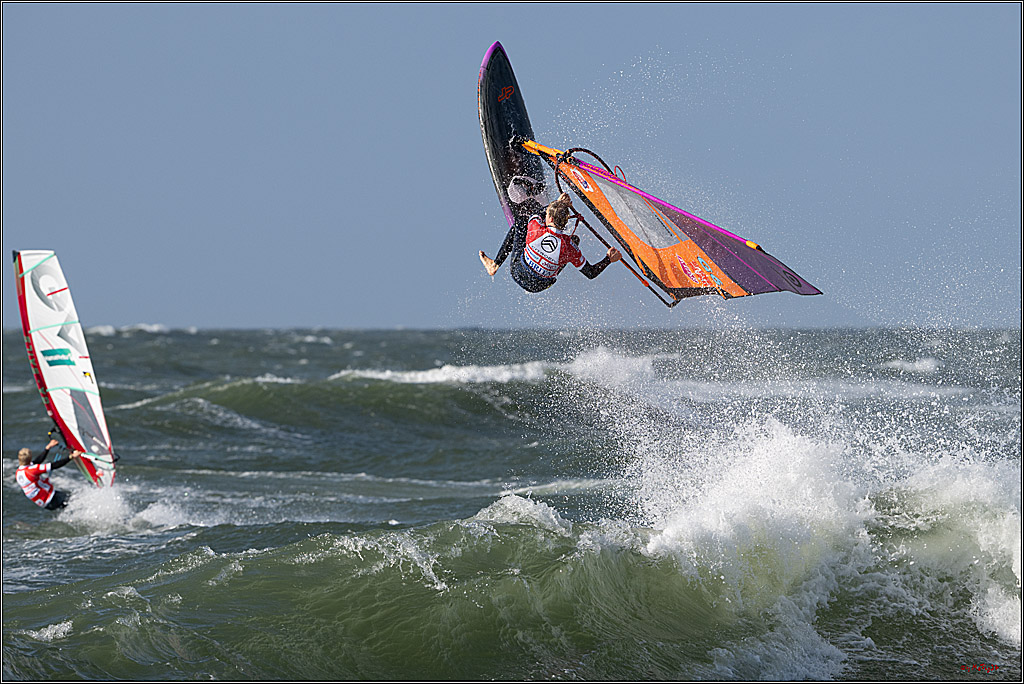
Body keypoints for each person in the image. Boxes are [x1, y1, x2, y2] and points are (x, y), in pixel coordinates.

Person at [480, 186, 621, 293]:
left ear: (551, 218)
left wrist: (558, 203)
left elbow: (537, 214)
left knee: (521, 223)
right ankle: (547, 267)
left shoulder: (536, 228)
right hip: (539, 286)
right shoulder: (569, 247)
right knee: (574, 241)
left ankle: (494, 265)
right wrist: (609, 259)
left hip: (519, 273)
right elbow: (591, 273)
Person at [16, 438, 81, 510]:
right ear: (30, 458)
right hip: (51, 499)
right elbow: (54, 465)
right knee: (76, 500)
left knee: (71, 506)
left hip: (45, 503)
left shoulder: (19, 472)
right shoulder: (32, 470)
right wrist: (71, 457)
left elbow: (37, 461)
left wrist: (48, 447)